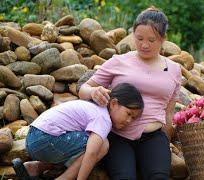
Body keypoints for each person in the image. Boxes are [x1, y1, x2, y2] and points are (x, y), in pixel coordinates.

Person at [78, 6, 181, 180]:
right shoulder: (119, 61)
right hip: (117, 136)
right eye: (139, 38)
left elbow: (169, 112)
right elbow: (83, 89)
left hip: (153, 137)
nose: (144, 44)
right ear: (133, 34)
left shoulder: (174, 70)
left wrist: (166, 142)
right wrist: (94, 91)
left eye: (151, 40)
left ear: (163, 39)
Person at [12, 83, 144, 180]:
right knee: (102, 145)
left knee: (77, 146)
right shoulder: (103, 118)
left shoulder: (93, 107)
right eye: (128, 114)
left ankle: (34, 168)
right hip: (45, 140)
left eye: (133, 118)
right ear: (114, 104)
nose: (129, 121)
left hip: (33, 137)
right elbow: (92, 153)